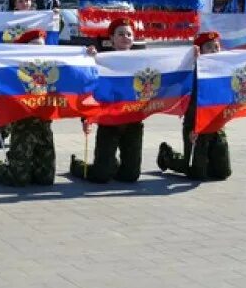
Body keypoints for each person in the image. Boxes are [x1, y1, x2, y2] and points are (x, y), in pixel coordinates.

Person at [0, 29, 57, 186]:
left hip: (44, 129)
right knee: (18, 179)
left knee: (46, 180)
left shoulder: (52, 68)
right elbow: (1, 100)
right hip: (23, 129)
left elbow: (76, 76)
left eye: (41, 46)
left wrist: (88, 55)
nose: (38, 50)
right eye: (33, 46)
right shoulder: (13, 72)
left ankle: (27, 166)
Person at [70, 18, 143, 184]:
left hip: (132, 121)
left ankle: (112, 164)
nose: (125, 37)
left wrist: (193, 56)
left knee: (130, 176)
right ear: (111, 39)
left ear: (133, 38)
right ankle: (78, 166)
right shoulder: (101, 60)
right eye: (120, 34)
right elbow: (88, 88)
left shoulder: (141, 61)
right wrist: (86, 118)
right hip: (108, 122)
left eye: (129, 34)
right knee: (100, 176)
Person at [157, 31, 232, 181]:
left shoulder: (224, 69)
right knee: (196, 173)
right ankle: (168, 156)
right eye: (209, 47)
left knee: (223, 172)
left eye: (216, 47)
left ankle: (207, 160)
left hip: (216, 126)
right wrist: (194, 128)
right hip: (195, 126)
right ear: (199, 51)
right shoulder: (191, 72)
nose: (214, 50)